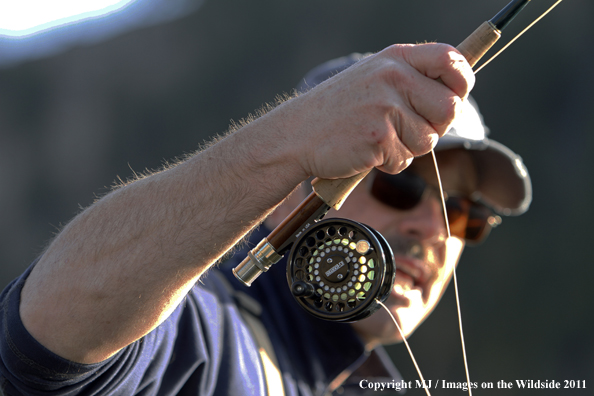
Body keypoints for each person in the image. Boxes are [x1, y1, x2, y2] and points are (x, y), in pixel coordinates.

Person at [0, 45, 530, 396]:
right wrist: (286, 145)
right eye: (400, 183)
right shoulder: (201, 323)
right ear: (289, 194)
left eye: (463, 213)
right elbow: (49, 328)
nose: (433, 230)